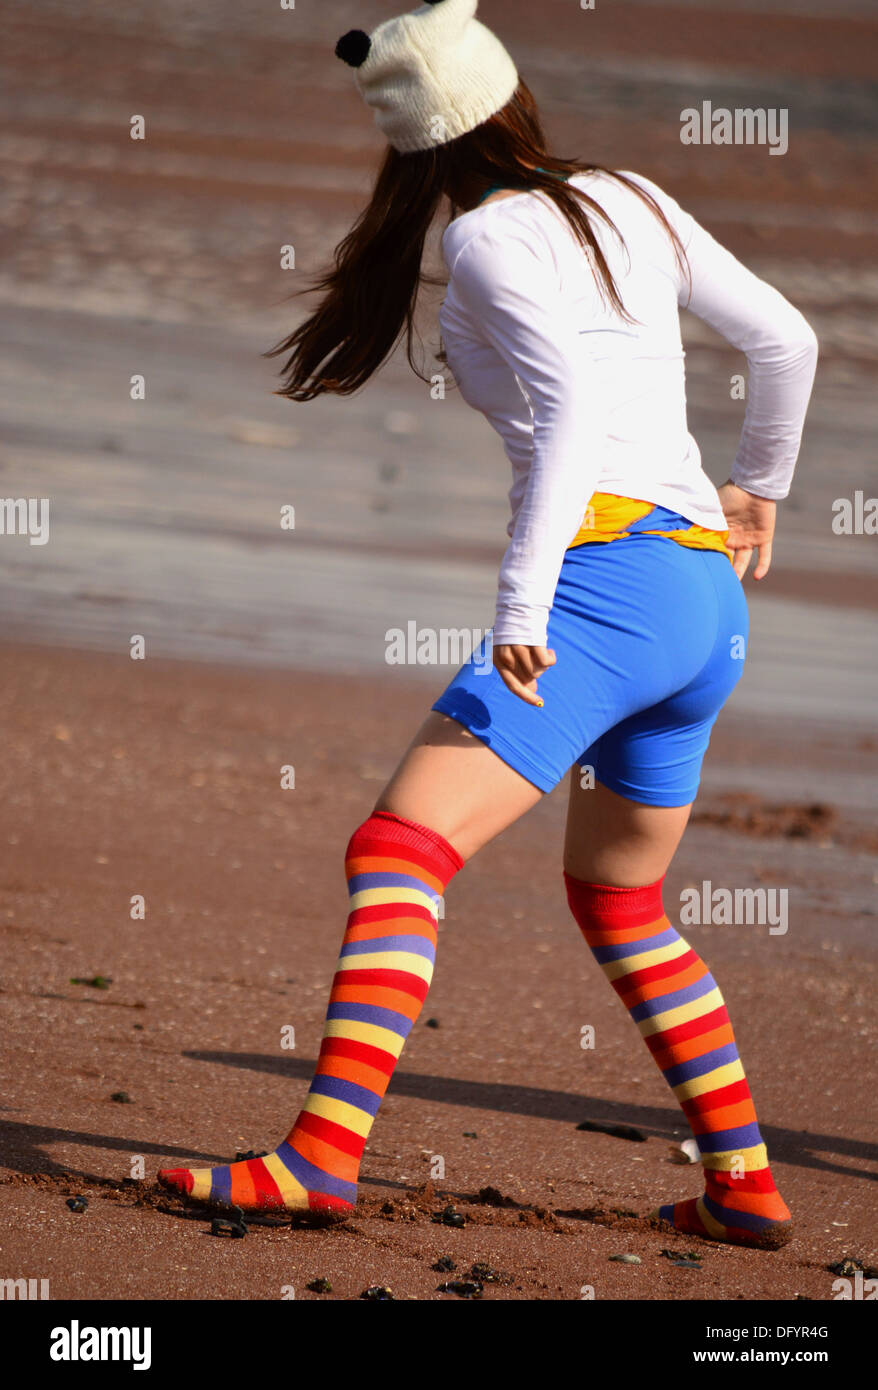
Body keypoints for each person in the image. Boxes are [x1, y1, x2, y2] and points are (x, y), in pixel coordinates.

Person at [159, 0, 818, 1248]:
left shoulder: (484, 244)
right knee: (621, 900)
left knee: (398, 851)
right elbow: (785, 339)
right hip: (701, 603)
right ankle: (742, 1182)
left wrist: (521, 601)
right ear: (510, 96)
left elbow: (567, 410)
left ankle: (319, 1158)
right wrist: (760, 488)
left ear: (405, 138)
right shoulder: (628, 195)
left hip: (606, 589)